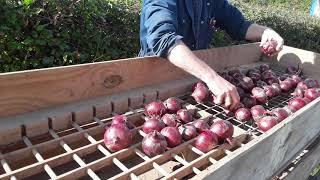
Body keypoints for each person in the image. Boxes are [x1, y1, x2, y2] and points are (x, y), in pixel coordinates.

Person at [138, 0, 284, 110]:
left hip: (195, 78)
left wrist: (265, 32)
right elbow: (162, 38)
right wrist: (212, 78)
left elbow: (239, 25)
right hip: (156, 81)